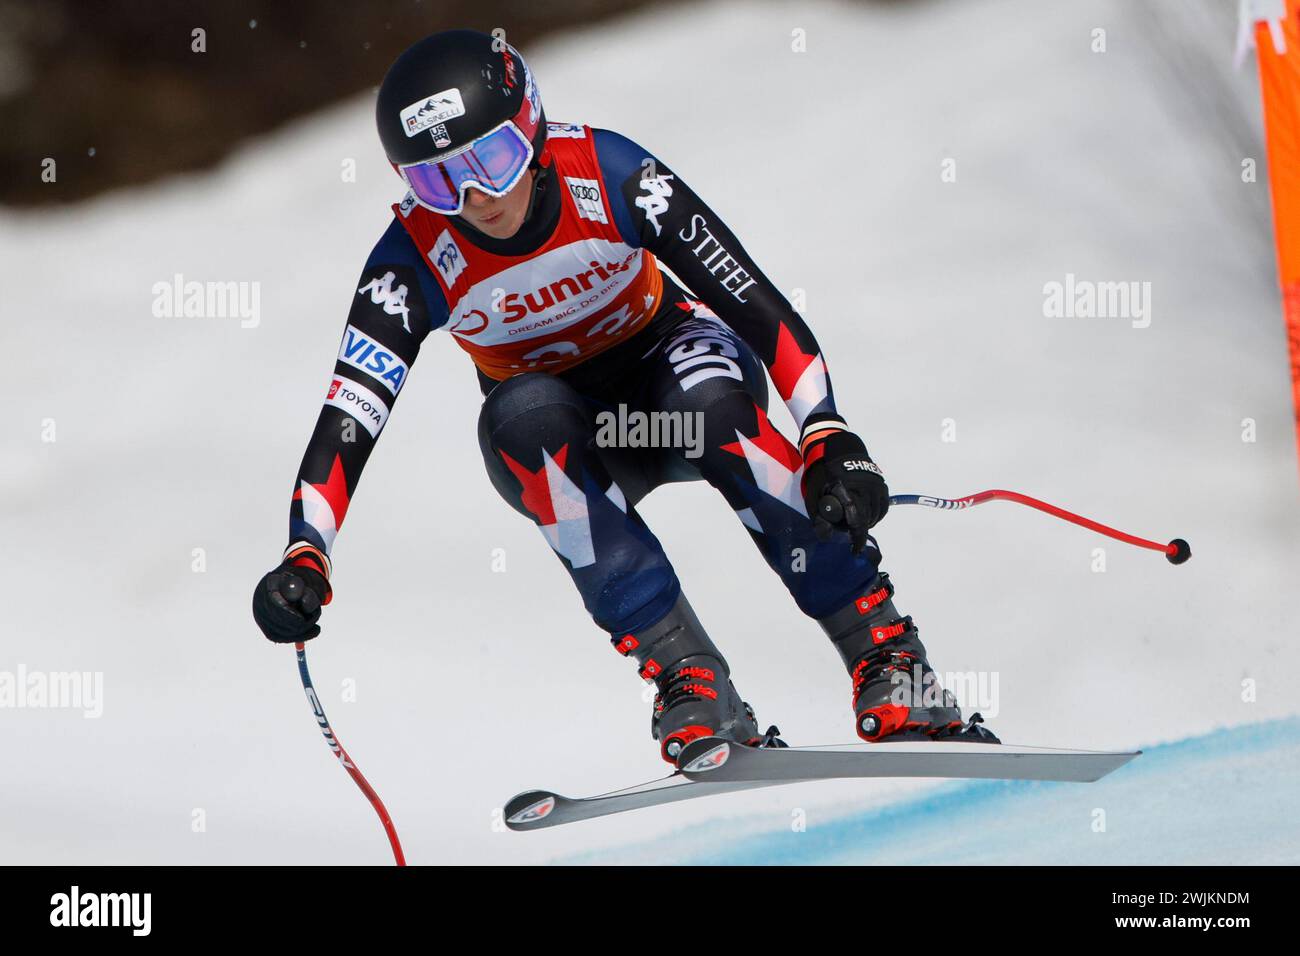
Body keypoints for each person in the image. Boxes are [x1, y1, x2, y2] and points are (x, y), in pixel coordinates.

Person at [253, 29, 984, 763]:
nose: (478, 199)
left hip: (671, 366)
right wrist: (305, 553)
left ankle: (889, 658)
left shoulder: (609, 173)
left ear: (533, 129)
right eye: (439, 182)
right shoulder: (409, 260)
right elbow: (350, 416)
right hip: (565, 427)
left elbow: (754, 305)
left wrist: (826, 430)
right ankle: (690, 678)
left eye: (494, 160)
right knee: (522, 422)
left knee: (711, 408)